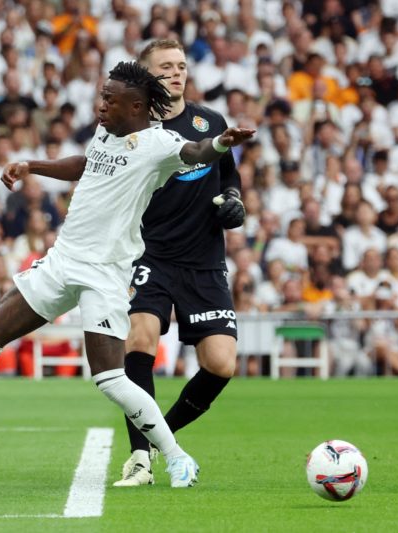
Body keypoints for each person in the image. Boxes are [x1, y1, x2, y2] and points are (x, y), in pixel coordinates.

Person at [0, 61, 255, 489]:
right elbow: (85, 163)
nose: (101, 105)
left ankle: (175, 456)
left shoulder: (159, 144)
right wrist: (31, 165)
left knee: (110, 379)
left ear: (136, 105)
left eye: (110, 100)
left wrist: (222, 142)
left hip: (104, 274)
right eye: (102, 97)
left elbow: (197, 153)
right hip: (62, 261)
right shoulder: (105, 133)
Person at [114, 40, 247, 487]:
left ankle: (159, 437)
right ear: (147, 76)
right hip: (147, 254)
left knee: (221, 363)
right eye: (165, 67)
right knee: (140, 337)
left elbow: (229, 177)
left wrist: (233, 202)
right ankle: (138, 457)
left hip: (204, 260)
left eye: (181, 66)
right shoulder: (130, 130)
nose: (176, 73)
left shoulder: (210, 122)